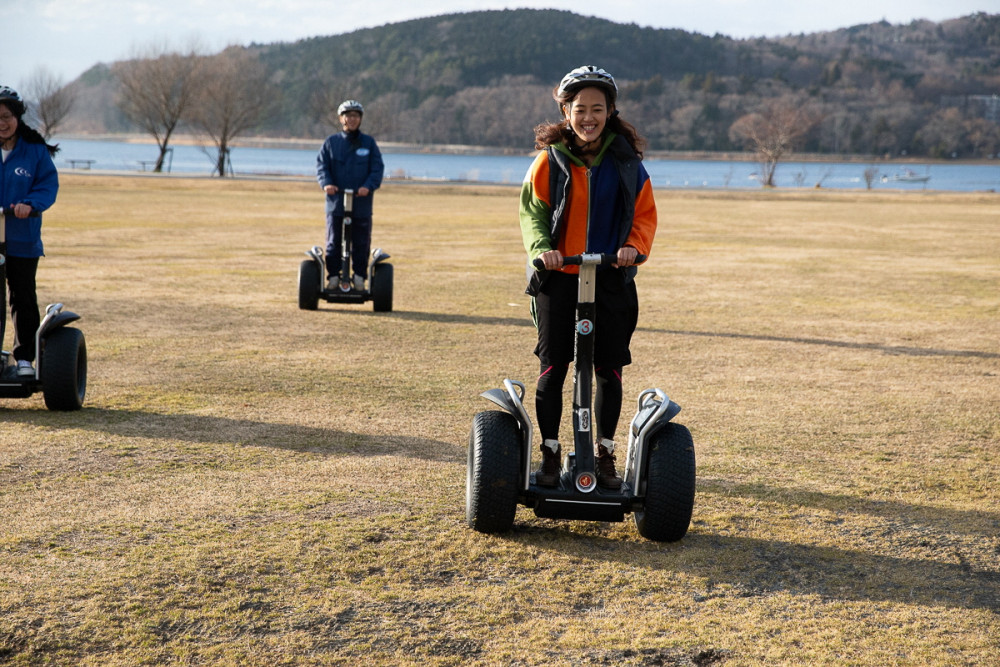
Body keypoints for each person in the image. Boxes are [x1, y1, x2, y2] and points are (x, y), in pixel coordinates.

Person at [519, 65, 657, 489]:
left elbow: (644, 215)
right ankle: (549, 453)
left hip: (612, 278)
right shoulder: (549, 161)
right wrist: (544, 250)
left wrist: (634, 246)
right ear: (565, 110)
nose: (589, 117)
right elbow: (533, 213)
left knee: (608, 368)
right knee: (553, 365)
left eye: (598, 108)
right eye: (580, 109)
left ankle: (605, 454)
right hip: (559, 278)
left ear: (611, 111)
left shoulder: (627, 164)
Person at [0, 86, 59, 377]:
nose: (2, 122)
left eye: (7, 116)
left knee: (22, 296)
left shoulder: (34, 150)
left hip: (22, 237)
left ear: (17, 117)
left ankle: (24, 359)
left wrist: (29, 204)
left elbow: (47, 185)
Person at [316, 99, 385, 292]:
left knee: (361, 242)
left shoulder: (369, 144)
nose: (352, 119)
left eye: (355, 116)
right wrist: (326, 183)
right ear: (341, 119)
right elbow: (322, 167)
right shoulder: (331, 143)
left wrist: (368, 186)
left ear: (360, 119)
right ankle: (333, 277)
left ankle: (360, 276)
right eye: (348, 115)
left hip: (361, 203)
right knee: (333, 242)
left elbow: (377, 169)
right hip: (336, 203)